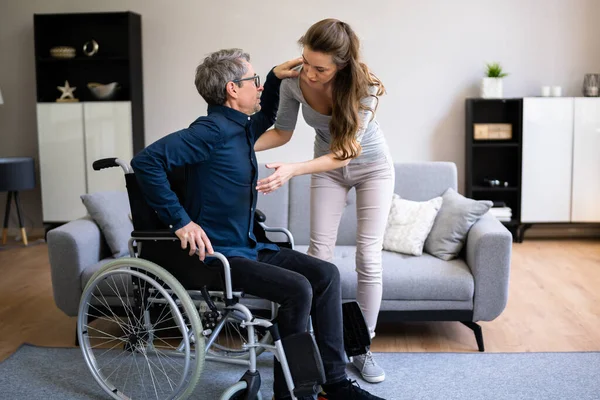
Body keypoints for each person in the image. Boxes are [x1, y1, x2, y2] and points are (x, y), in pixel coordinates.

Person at [131, 49, 385, 400]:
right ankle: (295, 392)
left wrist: (273, 75)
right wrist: (182, 222)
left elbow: (266, 114)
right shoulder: (209, 131)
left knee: (326, 275)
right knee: (298, 289)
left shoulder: (241, 128)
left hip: (249, 246)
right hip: (218, 256)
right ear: (233, 89)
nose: (260, 87)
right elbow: (146, 162)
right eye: (253, 81)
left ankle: (335, 382)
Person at [254, 19, 394, 384]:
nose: (310, 74)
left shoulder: (366, 87)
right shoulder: (293, 81)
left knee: (367, 254)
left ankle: (362, 347)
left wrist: (294, 171)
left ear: (342, 65)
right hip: (327, 168)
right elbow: (282, 133)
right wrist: (231, 143)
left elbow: (346, 152)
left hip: (372, 167)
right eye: (306, 62)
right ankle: (318, 344)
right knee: (318, 255)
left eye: (321, 68)